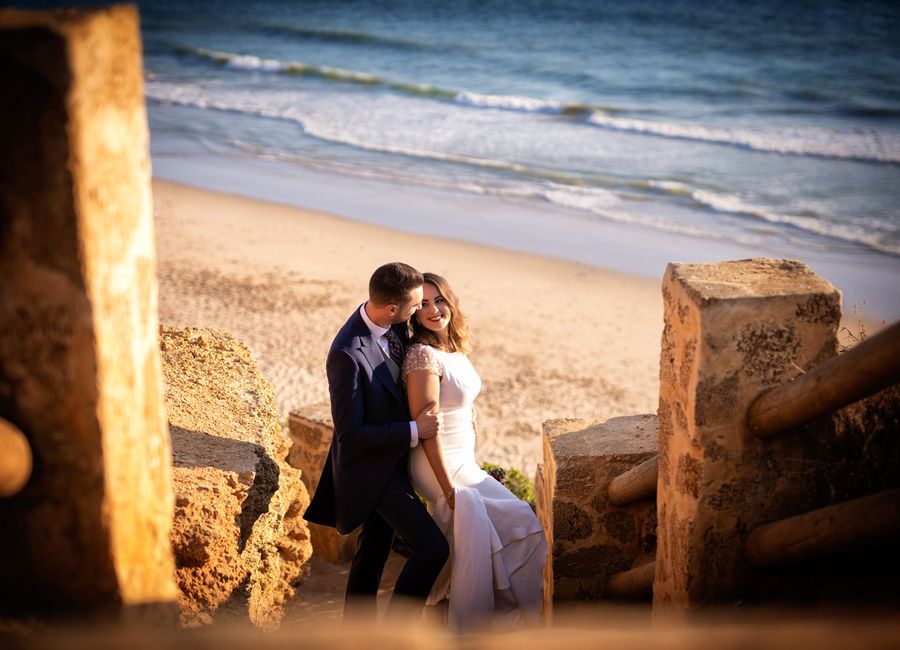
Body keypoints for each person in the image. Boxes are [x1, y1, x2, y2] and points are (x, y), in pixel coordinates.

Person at [304, 262, 449, 623]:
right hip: (373, 471)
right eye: (416, 306)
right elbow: (351, 433)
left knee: (373, 553)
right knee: (432, 549)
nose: (420, 311)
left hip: (398, 460)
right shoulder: (346, 353)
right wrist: (416, 431)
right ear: (391, 309)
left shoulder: (393, 323)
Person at [402, 272, 547, 632]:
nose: (434, 310)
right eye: (423, 305)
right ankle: (488, 624)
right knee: (521, 520)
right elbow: (429, 426)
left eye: (439, 300)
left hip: (463, 458)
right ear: (413, 314)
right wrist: (449, 487)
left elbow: (463, 409)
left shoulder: (452, 347)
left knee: (513, 524)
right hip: (439, 464)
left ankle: (505, 617)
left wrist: (472, 457)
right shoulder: (422, 355)